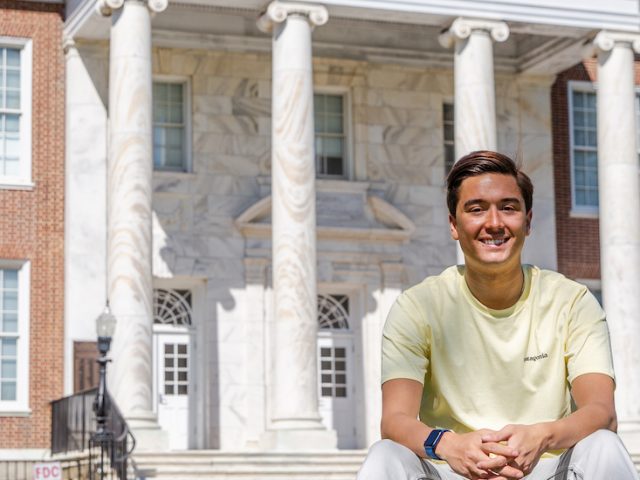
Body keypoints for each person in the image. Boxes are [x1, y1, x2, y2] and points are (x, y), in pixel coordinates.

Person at [357, 151, 639, 479]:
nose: (494, 223)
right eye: (476, 209)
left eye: (508, 207)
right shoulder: (417, 306)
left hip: (545, 466)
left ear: (528, 221)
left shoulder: (572, 301)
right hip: (454, 467)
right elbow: (393, 420)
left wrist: (542, 435)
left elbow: (602, 413)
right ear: (454, 224)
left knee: (603, 445)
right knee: (385, 456)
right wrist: (449, 445)